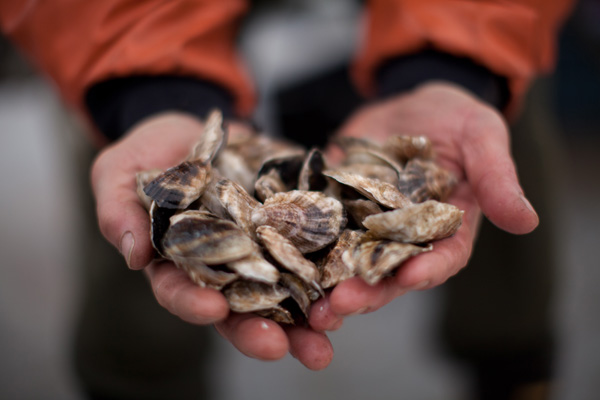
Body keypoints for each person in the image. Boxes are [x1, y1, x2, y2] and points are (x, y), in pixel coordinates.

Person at [0, 0, 574, 396]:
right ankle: (141, 381)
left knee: (484, 162)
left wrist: (454, 62)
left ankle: (514, 372)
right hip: (125, 33)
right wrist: (148, 87)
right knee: (141, 209)